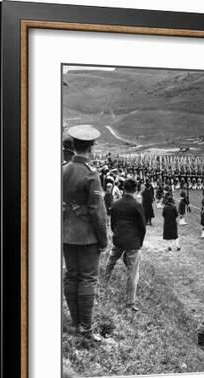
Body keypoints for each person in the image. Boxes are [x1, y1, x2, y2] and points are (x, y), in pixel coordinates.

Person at [62, 125, 108, 341]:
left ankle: (75, 322)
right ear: (90, 147)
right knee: (88, 279)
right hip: (87, 236)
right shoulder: (91, 175)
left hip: (66, 234)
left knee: (72, 275)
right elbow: (97, 211)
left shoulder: (63, 170)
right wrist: (103, 239)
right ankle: (85, 328)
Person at [104, 178, 146, 312]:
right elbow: (142, 227)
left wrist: (117, 234)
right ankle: (130, 303)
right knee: (132, 273)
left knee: (110, 263)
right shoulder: (137, 206)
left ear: (123, 189)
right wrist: (139, 242)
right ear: (135, 190)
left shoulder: (116, 204)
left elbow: (113, 223)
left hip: (119, 239)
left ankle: (102, 286)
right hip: (133, 242)